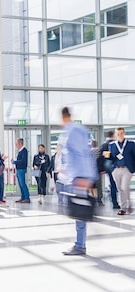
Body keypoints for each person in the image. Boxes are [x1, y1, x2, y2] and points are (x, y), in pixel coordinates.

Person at [60, 107, 97, 256]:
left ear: (64, 117)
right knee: (78, 209)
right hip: (78, 175)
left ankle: (80, 245)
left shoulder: (73, 130)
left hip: (79, 177)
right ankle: (80, 243)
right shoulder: (77, 128)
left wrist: (83, 177)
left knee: (79, 210)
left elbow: (80, 153)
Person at [109, 127, 135, 216]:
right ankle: (123, 208)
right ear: (116, 135)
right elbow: (112, 158)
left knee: (124, 187)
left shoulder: (131, 144)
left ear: (124, 134)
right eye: (118, 134)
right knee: (120, 189)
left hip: (127, 169)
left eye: (121, 133)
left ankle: (129, 205)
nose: (119, 135)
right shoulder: (112, 145)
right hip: (116, 169)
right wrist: (107, 156)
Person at [101, 130, 120, 209]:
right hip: (115, 166)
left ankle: (114, 201)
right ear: (113, 135)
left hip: (107, 166)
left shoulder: (104, 145)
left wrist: (102, 168)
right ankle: (117, 202)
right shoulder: (116, 144)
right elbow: (118, 155)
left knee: (112, 183)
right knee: (117, 184)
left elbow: (102, 157)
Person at [12, 138, 30, 203]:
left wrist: (15, 162)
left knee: (23, 184)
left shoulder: (24, 151)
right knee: (20, 184)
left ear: (20, 143)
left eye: (16, 144)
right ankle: (23, 197)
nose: (15, 145)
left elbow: (23, 161)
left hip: (21, 169)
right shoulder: (20, 151)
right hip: (18, 169)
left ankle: (27, 198)